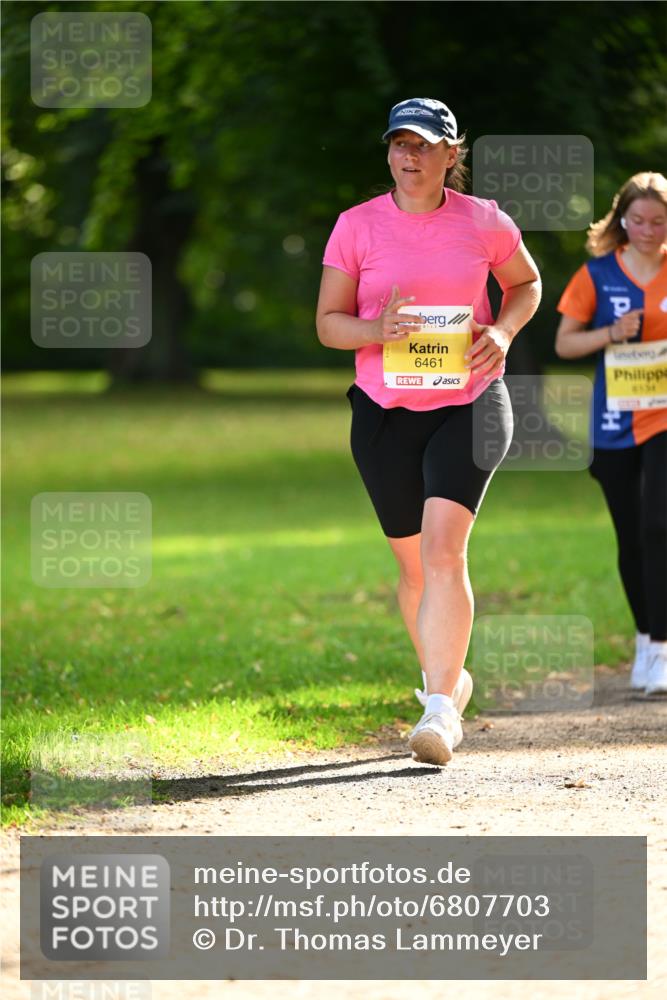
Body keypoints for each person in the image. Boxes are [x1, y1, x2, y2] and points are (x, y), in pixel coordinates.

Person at [316, 97, 541, 765]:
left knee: (444, 552)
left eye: (423, 145)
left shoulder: (484, 221)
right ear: (388, 151)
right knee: (413, 566)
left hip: (467, 402)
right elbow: (329, 324)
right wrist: (373, 331)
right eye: (398, 144)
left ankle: (439, 712)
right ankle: (447, 680)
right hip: (382, 412)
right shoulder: (355, 227)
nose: (408, 156)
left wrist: (500, 331)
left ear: (451, 154)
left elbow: (524, 283)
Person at [555, 172, 667, 696]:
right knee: (631, 534)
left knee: (658, 524)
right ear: (622, 220)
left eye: (658, 222)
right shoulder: (597, 275)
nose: (647, 230)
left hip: (664, 418)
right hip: (613, 420)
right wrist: (610, 333)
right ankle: (646, 639)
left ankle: (664, 646)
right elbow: (565, 345)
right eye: (638, 220)